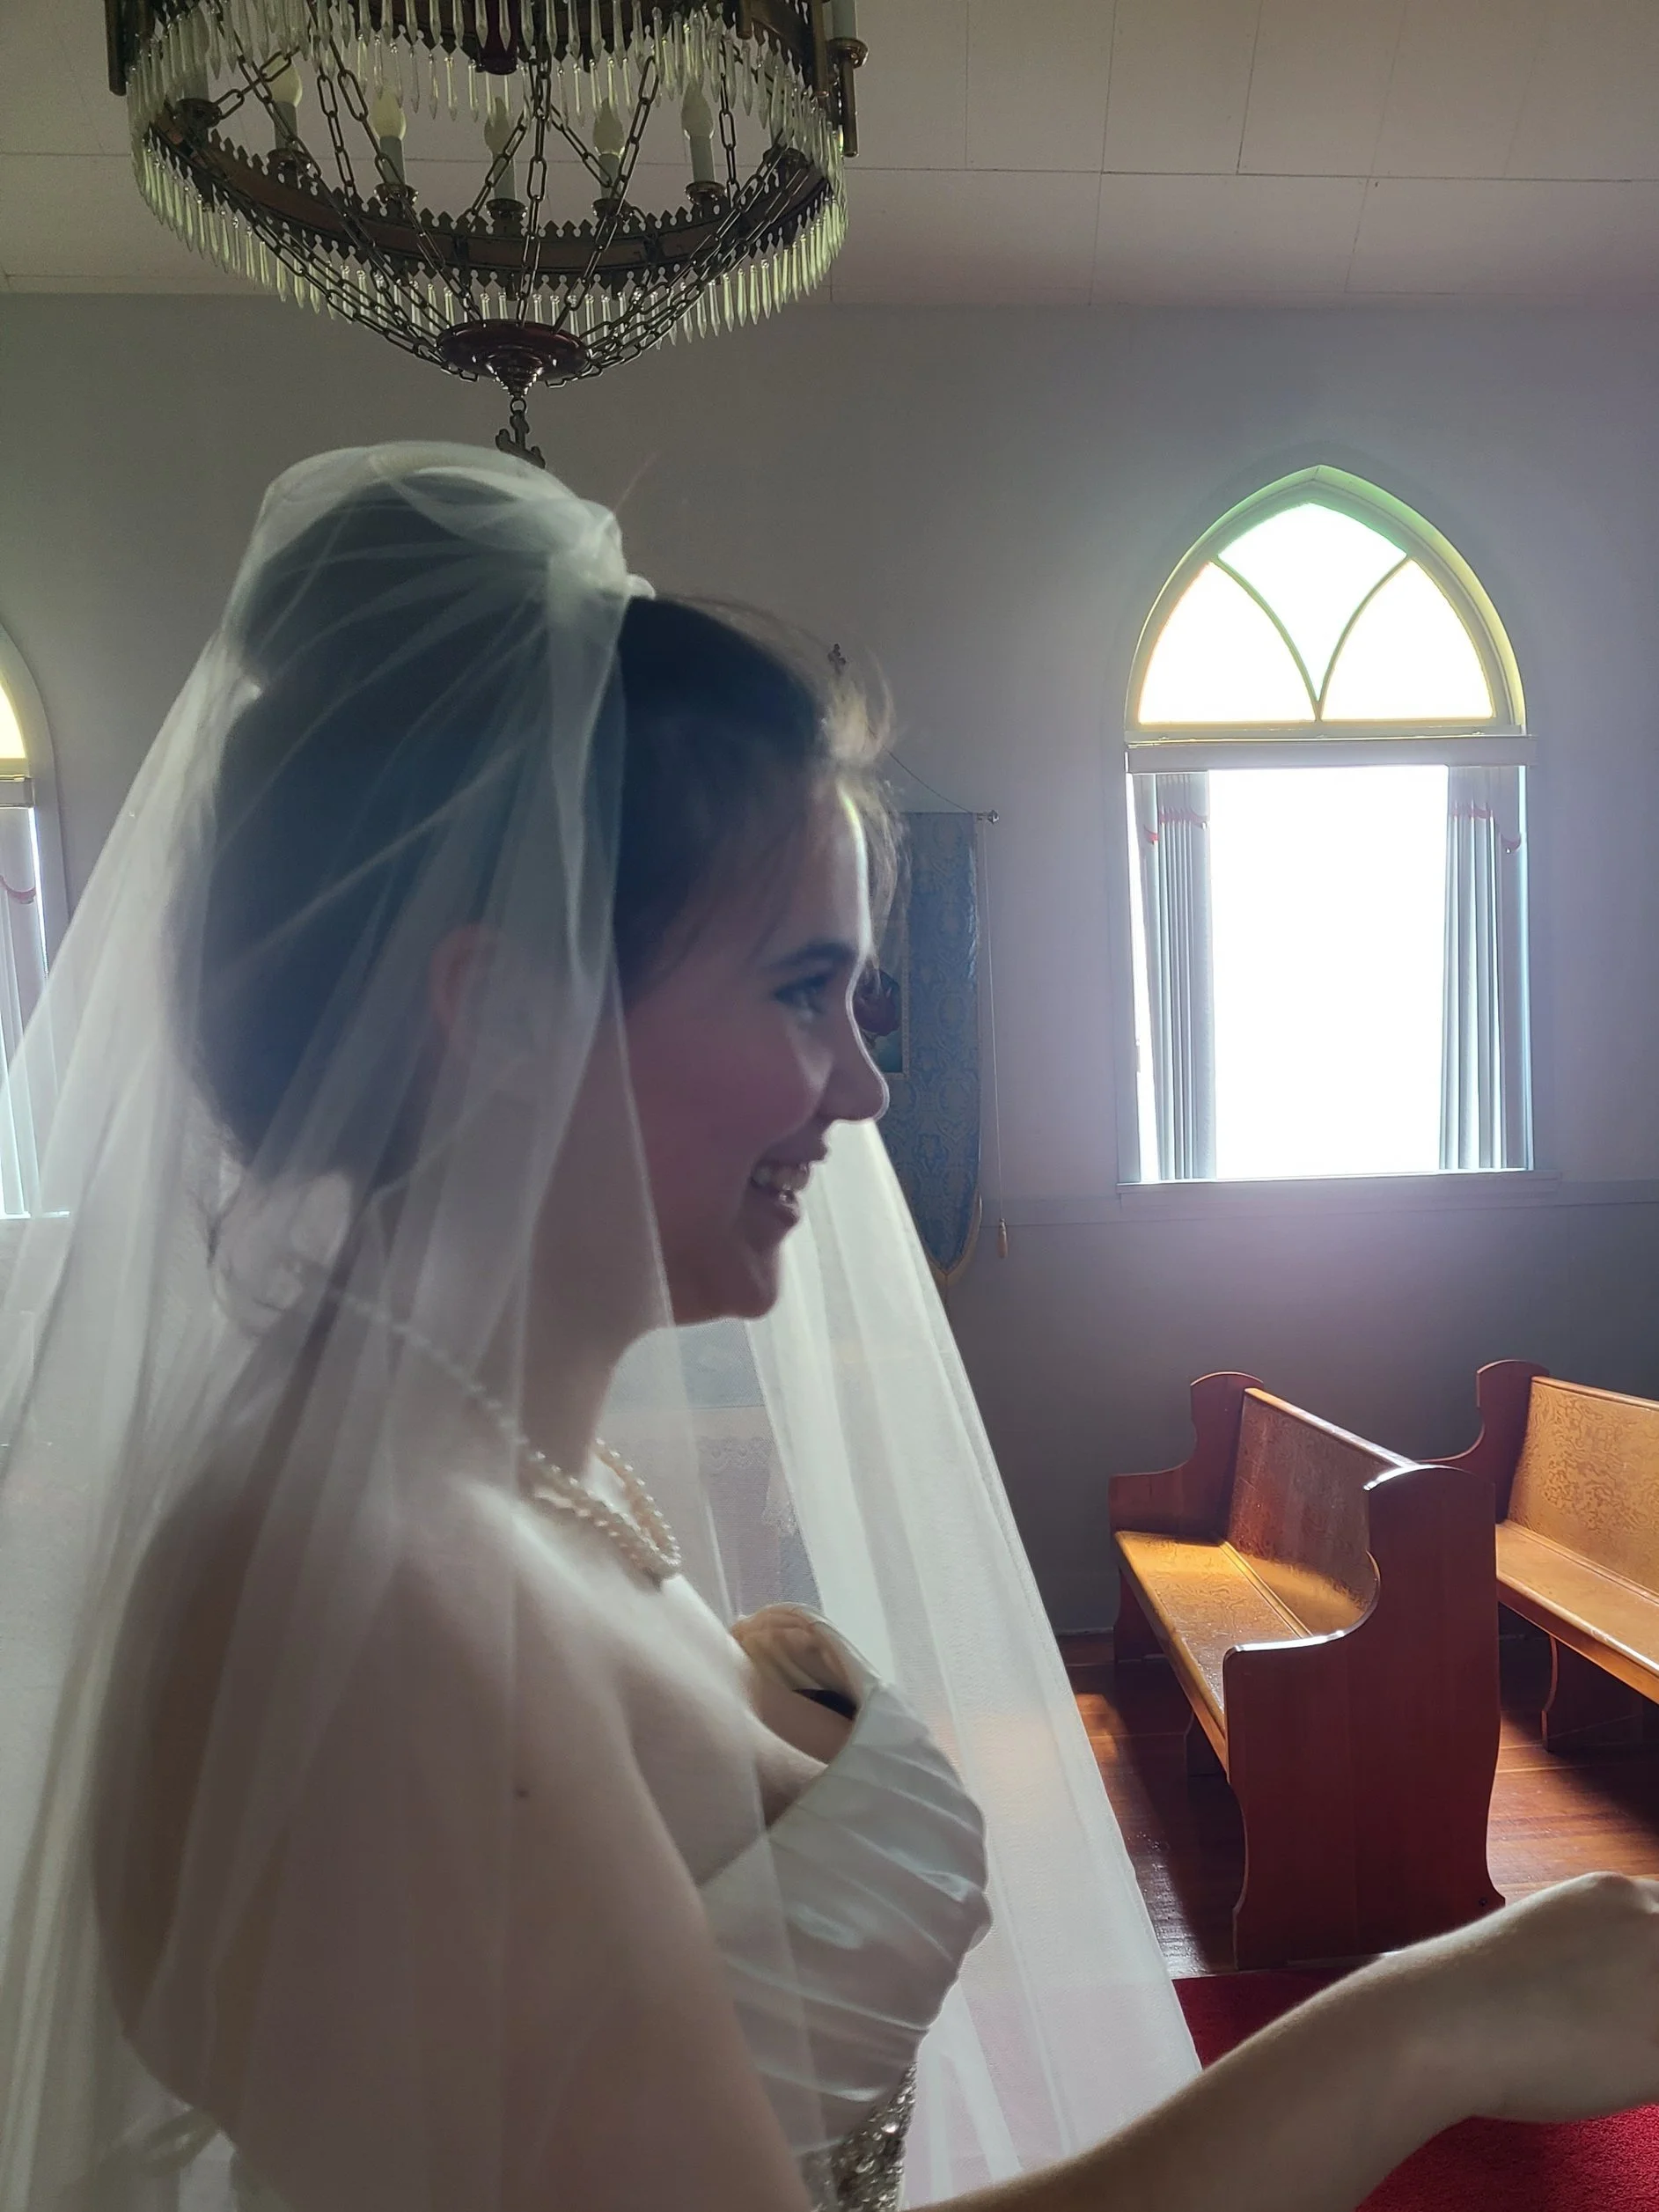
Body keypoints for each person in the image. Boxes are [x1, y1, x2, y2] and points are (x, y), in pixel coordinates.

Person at [0, 445, 1657, 2212]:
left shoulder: (490, 1477)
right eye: (806, 992)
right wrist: (1429, 2025)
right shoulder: (384, 1603)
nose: (864, 1089)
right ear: (502, 1012)